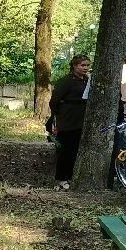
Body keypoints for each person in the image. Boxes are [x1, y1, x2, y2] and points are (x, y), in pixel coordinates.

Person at [50, 56, 90, 190]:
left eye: (87, 65)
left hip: (82, 119)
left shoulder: (87, 80)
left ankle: (72, 176)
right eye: (82, 65)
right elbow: (54, 101)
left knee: (76, 150)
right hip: (68, 120)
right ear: (74, 66)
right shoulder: (66, 81)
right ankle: (62, 178)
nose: (85, 68)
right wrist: (60, 115)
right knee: (66, 150)